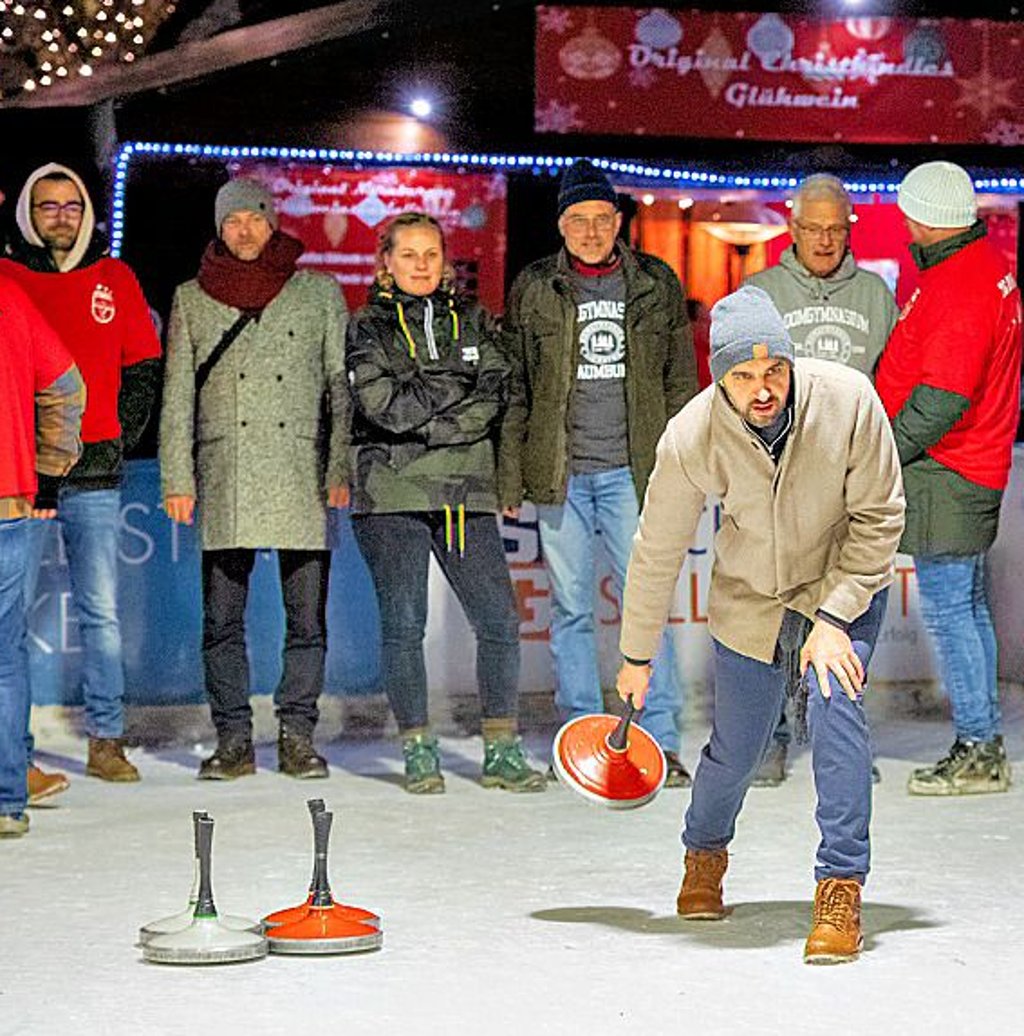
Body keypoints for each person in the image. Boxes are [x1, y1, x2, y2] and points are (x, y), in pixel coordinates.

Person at [617, 285, 904, 964]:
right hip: (751, 599)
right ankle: (704, 853)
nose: (762, 388)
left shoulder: (849, 400)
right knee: (738, 749)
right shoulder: (692, 433)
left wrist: (833, 616)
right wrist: (636, 656)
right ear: (720, 376)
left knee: (836, 715)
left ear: (790, 363)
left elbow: (880, 518)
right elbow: (657, 549)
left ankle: (840, 887)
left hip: (842, 586)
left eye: (774, 370)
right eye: (743, 376)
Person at [499, 160, 696, 784]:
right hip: (561, 475)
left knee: (646, 608)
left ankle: (660, 737)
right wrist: (511, 474)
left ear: (618, 222)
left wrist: (683, 466)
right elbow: (516, 386)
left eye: (601, 218)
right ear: (561, 226)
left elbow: (680, 381)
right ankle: (580, 735)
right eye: (577, 220)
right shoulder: (534, 286)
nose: (590, 231)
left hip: (634, 474)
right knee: (571, 611)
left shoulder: (655, 283)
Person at [346, 212, 545, 794]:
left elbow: (496, 392)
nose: (422, 265)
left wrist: (433, 409)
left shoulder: (474, 319)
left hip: (464, 491)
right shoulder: (366, 327)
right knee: (405, 624)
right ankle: (418, 749)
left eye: (431, 254)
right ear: (386, 262)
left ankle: (501, 750)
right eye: (409, 254)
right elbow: (384, 408)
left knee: (499, 621)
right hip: (391, 494)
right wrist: (455, 385)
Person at [160, 178, 350, 780]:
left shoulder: (318, 293)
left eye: (254, 218)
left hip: (300, 469)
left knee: (307, 620)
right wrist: (176, 476)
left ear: (273, 223)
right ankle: (234, 740)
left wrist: (339, 464)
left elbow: (339, 388)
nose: (244, 230)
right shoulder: (192, 297)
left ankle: (298, 736)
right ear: (219, 229)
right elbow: (177, 395)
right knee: (221, 621)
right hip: (227, 470)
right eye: (232, 221)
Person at [0, 163, 162, 788]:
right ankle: (16, 755)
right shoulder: (9, 278)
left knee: (101, 612)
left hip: (93, 472)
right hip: (23, 475)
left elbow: (143, 364)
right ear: (27, 214)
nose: (62, 216)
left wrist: (118, 434)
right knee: (9, 619)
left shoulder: (114, 277)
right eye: (48, 206)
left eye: (72, 206)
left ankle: (106, 738)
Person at [744, 173, 899, 786]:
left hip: (852, 484)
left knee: (847, 614)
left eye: (836, 228)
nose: (826, 240)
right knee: (776, 614)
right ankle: (772, 737)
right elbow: (737, 386)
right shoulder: (761, 292)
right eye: (814, 228)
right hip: (778, 477)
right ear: (793, 226)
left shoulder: (875, 295)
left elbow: (891, 384)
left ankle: (842, 738)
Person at [875, 161, 1022, 796]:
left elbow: (942, 399)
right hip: (966, 464)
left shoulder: (960, 284)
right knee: (966, 607)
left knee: (951, 610)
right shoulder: (978, 267)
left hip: (950, 469)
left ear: (924, 217)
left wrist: (882, 451)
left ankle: (978, 748)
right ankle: (982, 740)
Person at [1, 274, 85, 837]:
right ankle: (7, 801)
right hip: (8, 500)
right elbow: (66, 386)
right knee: (4, 657)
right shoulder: (8, 297)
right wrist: (48, 468)